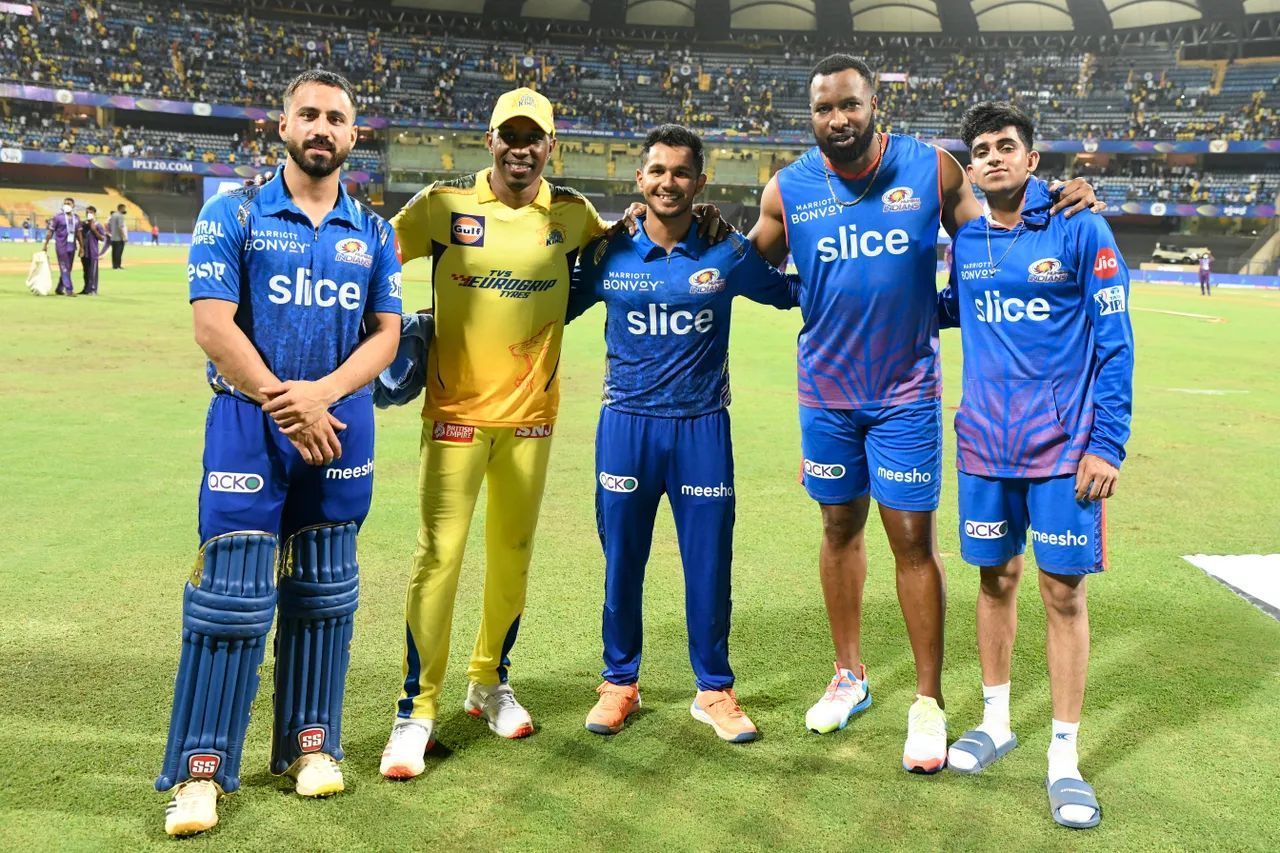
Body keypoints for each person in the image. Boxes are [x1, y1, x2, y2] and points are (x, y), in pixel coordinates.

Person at [747, 54, 1101, 773]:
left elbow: (994, 238)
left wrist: (1063, 198)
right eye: (824, 109)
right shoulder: (788, 189)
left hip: (906, 391)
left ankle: (929, 700)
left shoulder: (934, 169)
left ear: (874, 105)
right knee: (837, 524)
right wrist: (789, 291)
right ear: (810, 116)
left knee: (913, 538)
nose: (838, 119)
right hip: (826, 392)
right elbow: (750, 268)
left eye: (850, 104)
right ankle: (850, 675)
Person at [155, 70, 402, 837]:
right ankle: (201, 771)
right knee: (229, 596)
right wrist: (285, 401)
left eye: (336, 117)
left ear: (352, 136)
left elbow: (387, 334)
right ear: (283, 126)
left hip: (339, 423)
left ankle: (311, 744)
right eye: (309, 115)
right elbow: (212, 324)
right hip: (249, 419)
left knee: (325, 593)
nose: (321, 127)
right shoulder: (231, 212)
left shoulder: (377, 231)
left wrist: (320, 396)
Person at [378, 87, 612, 779]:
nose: (520, 147)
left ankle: (489, 681)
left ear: (549, 146)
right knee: (438, 557)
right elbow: (373, 258)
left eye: (532, 136)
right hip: (453, 418)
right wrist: (399, 331)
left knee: (512, 555)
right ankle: (414, 711)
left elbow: (619, 262)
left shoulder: (571, 215)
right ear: (490, 141)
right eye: (509, 135)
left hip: (532, 423)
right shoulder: (443, 206)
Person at [568, 125, 798, 743]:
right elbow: (544, 303)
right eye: (657, 171)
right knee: (623, 561)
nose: (668, 182)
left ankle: (714, 691)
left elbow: (791, 294)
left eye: (680, 172)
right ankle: (620, 682)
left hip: (701, 430)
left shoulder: (728, 252)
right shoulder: (605, 254)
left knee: (708, 563)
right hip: (626, 425)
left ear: (700, 183)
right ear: (639, 180)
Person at [938, 102, 1133, 830]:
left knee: (1062, 593)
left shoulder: (1082, 227)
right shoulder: (967, 240)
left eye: (1006, 147)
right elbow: (951, 310)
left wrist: (1107, 443)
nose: (992, 157)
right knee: (995, 578)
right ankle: (995, 720)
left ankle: (1064, 754)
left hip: (1062, 451)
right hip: (986, 443)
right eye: (980, 149)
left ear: (1032, 160)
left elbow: (1116, 342)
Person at [42, 197, 79, 296]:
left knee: (68, 268)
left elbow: (78, 233)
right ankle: (69, 290)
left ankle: (59, 288)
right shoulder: (58, 217)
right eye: (65, 203)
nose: (66, 205)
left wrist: (82, 247)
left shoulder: (76, 218)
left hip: (72, 246)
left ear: (73, 206)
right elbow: (50, 232)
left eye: (69, 203)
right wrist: (45, 244)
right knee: (64, 268)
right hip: (61, 246)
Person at [77, 205, 108, 295]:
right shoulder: (83, 224)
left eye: (90, 213)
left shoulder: (98, 225)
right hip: (84, 251)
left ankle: (93, 289)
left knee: (93, 272)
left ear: (94, 214)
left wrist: (94, 230)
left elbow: (102, 238)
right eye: (87, 212)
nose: (89, 214)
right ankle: (86, 289)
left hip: (93, 252)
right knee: (85, 272)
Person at [107, 203, 127, 269]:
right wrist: (123, 237)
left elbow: (109, 225)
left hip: (113, 237)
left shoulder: (113, 215)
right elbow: (120, 227)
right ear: (121, 208)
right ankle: (118, 265)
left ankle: (114, 265)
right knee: (119, 252)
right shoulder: (120, 216)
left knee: (114, 252)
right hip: (119, 238)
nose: (125, 210)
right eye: (124, 208)